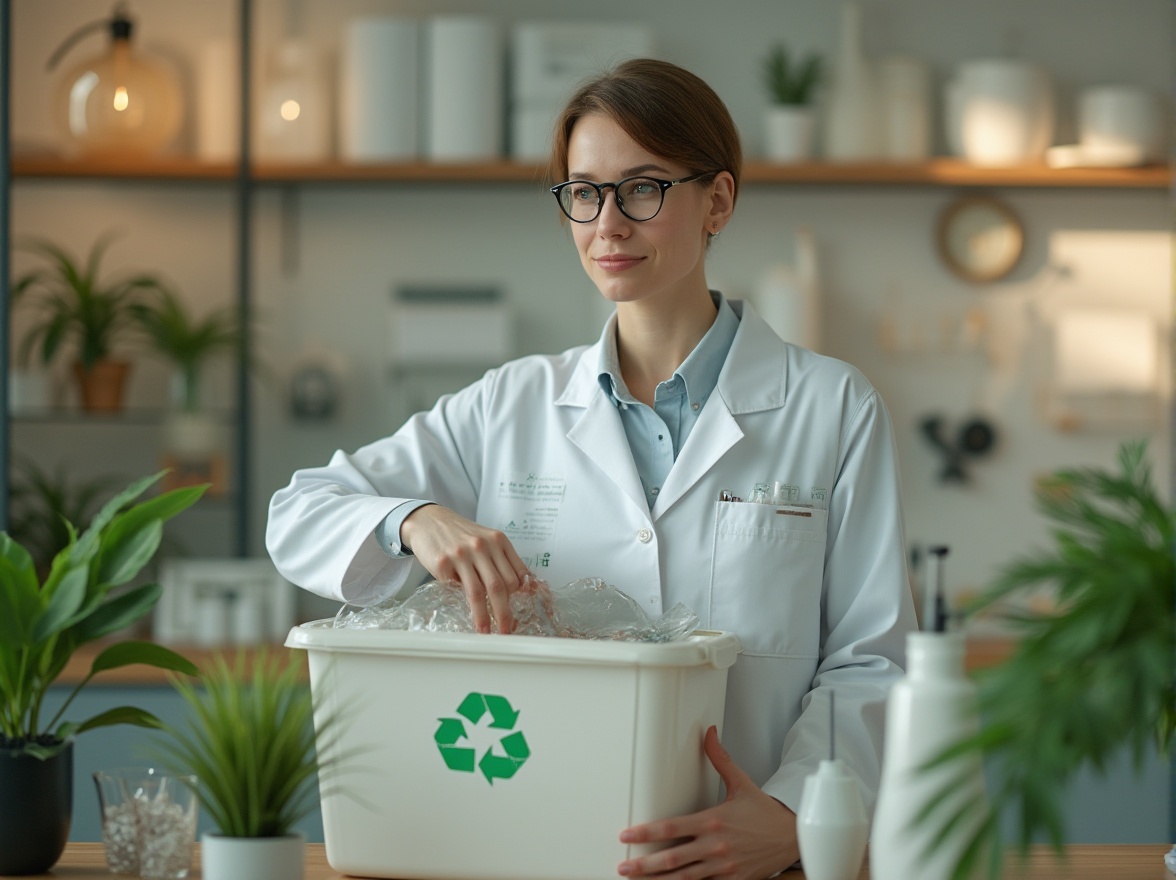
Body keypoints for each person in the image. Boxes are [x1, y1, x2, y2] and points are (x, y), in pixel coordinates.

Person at [267, 58, 916, 880]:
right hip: (539, 847)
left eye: (641, 188)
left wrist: (791, 816)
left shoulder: (831, 407)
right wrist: (414, 519)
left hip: (749, 860)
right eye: (583, 192)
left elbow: (873, 657)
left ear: (717, 200)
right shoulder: (513, 404)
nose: (607, 224)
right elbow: (299, 511)